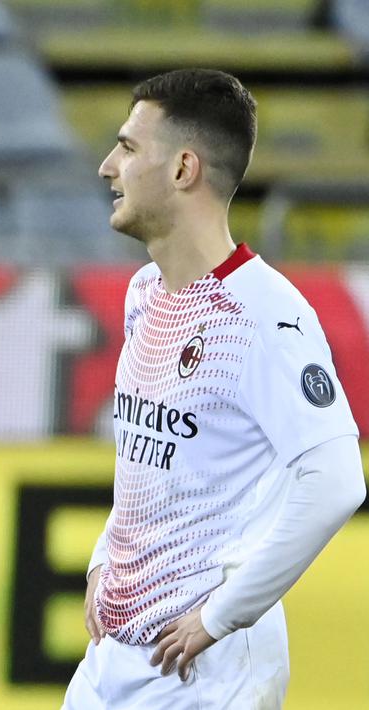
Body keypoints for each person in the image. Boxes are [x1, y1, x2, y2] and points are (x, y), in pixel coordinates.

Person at [65, 69, 366, 709]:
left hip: (205, 672)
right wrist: (102, 561)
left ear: (182, 170)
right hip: (116, 654)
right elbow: (152, 462)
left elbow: (338, 480)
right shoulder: (145, 292)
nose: (105, 166)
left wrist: (222, 615)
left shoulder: (264, 316)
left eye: (127, 147)